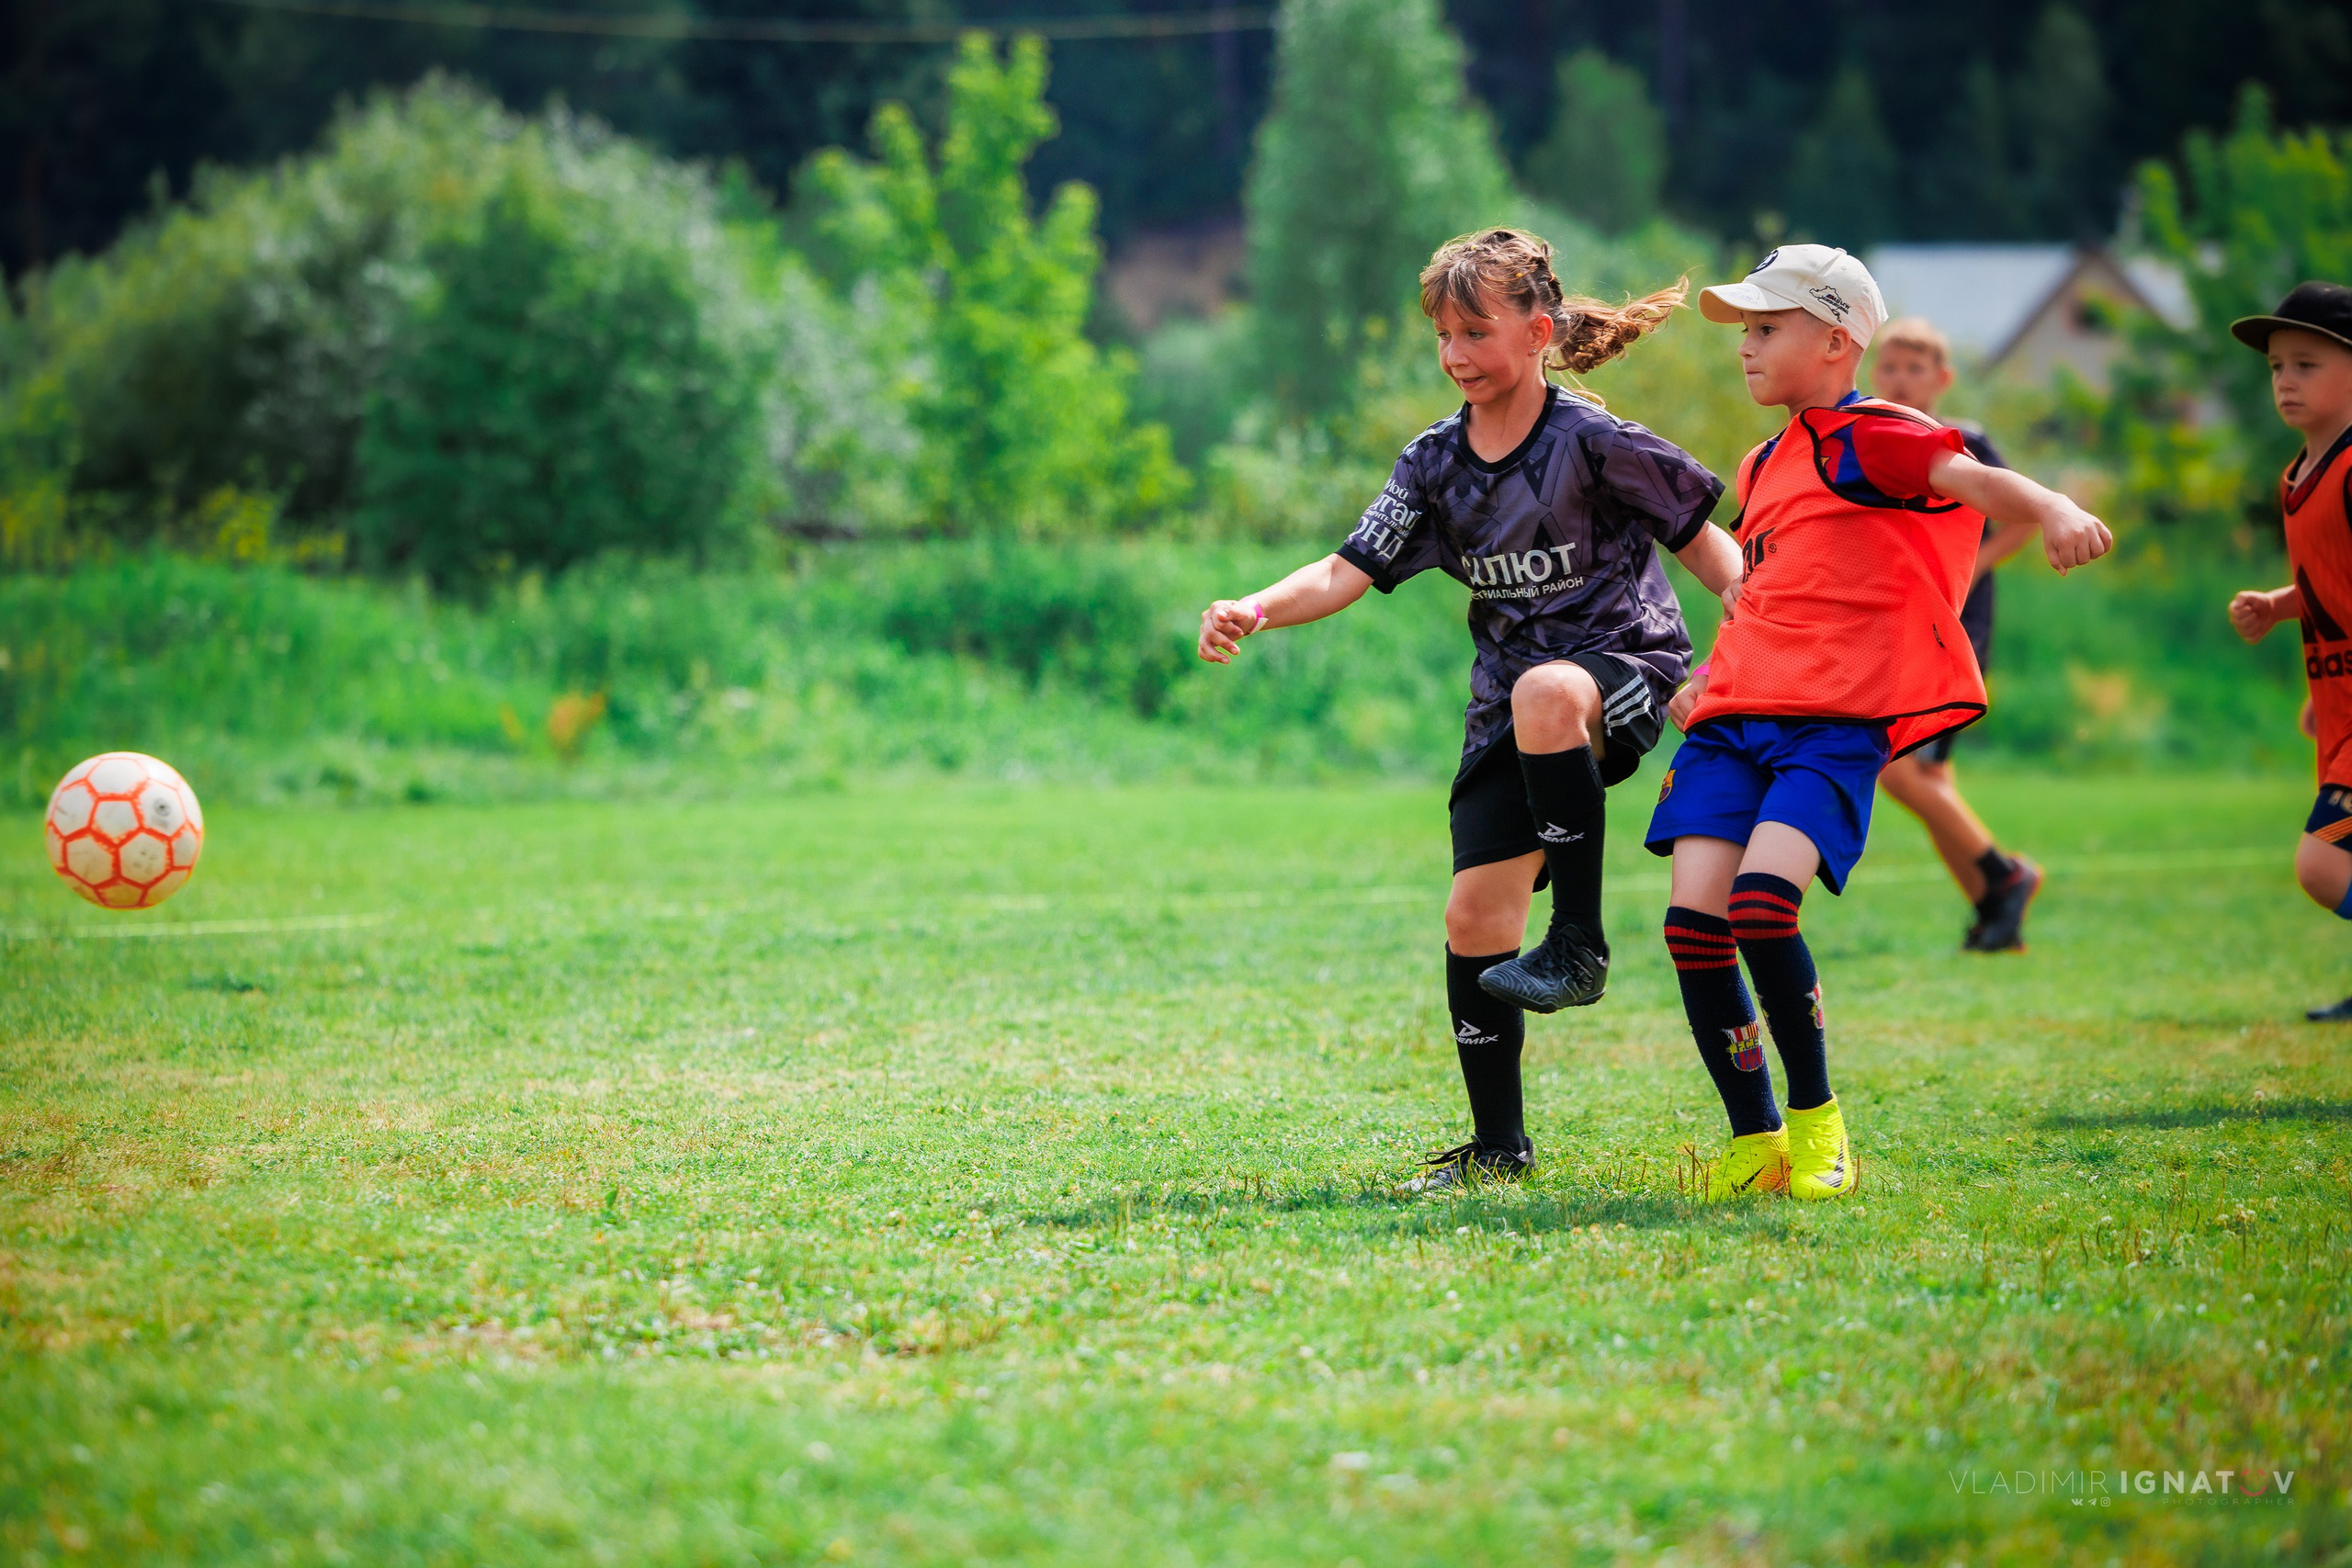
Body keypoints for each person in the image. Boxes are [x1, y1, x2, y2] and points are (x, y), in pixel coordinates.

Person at [1195, 227, 1744, 1190]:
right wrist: (1255, 606)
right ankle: (1498, 1149)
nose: (1454, 356)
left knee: (1547, 690)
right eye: (1442, 336)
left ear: (1539, 332)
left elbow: (1715, 552)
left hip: (1621, 668)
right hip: (1512, 707)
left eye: (1474, 332)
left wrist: (1751, 655)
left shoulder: (1596, 441)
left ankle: (1578, 943)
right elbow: (1344, 567)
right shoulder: (1433, 463)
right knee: (1473, 915)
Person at [1651, 245, 2112, 1201]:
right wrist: (1706, 673)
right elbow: (1766, 590)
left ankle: (1820, 1129)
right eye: (1743, 330)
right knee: (1694, 925)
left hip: (1828, 727)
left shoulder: (1876, 435)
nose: (1745, 347)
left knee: (1761, 906)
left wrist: (2056, 504)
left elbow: (1974, 477)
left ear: (1834, 341)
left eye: (1765, 328)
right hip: (1734, 720)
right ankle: (1754, 1141)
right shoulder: (1762, 460)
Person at [1868, 318, 2045, 951]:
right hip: (1903, 628)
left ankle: (2006, 874)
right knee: (1930, 781)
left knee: (1900, 771)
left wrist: (1973, 568)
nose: (1901, 379)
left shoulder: (1963, 442)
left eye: (1916, 369)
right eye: (1890, 367)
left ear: (1942, 379)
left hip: (1955, 630)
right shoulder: (1875, 440)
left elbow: (2024, 512)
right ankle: (1995, 905)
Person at [2222, 281, 2352, 1021]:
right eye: (2277, 367)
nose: (2286, 380)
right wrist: (2281, 606)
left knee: (2322, 864)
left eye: (2307, 364)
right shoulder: (2298, 476)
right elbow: (2335, 582)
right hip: (2337, 700)